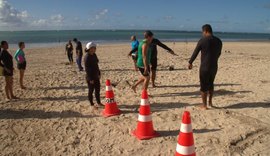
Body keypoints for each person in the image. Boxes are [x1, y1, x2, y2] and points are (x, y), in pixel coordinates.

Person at [188, 24, 222, 110]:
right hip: (214, 66)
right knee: (211, 84)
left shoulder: (203, 40)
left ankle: (204, 105)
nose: (202, 33)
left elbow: (195, 52)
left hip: (204, 67)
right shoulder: (219, 41)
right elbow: (219, 53)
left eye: (202, 32)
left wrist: (190, 62)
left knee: (203, 86)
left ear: (205, 31)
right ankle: (210, 102)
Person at [84, 42, 104, 109]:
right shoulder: (87, 57)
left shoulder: (94, 55)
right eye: (93, 48)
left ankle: (99, 102)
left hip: (96, 76)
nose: (94, 49)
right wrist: (90, 79)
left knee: (97, 90)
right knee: (91, 91)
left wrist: (99, 73)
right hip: (90, 77)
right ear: (89, 49)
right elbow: (87, 69)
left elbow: (96, 65)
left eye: (95, 48)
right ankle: (92, 104)